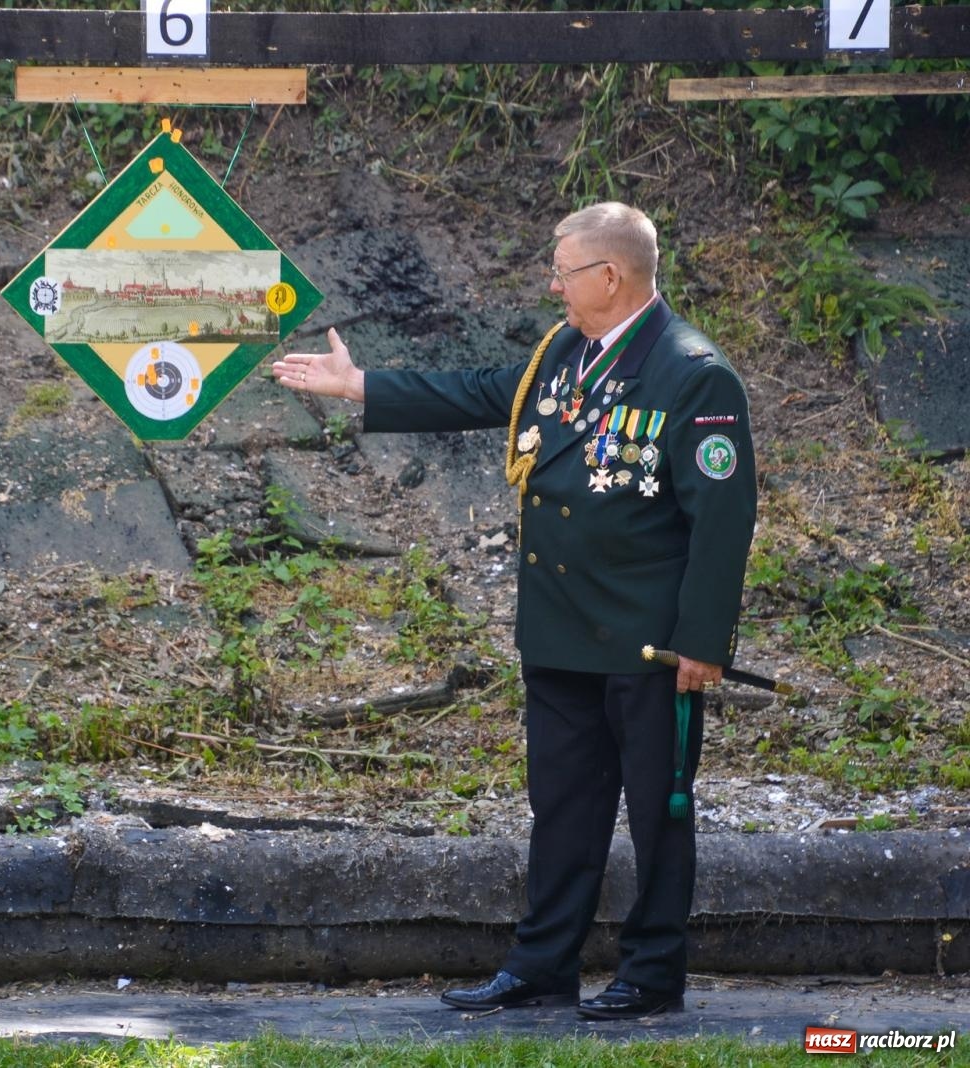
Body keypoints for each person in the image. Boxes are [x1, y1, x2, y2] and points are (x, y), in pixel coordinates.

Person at [273, 202, 755, 1020]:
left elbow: (723, 518)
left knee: (659, 814)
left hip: (649, 644)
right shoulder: (564, 351)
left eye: (564, 272)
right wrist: (359, 387)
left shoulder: (693, 372)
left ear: (611, 276)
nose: (553, 286)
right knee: (562, 809)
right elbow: (483, 392)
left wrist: (702, 641)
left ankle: (652, 973)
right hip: (561, 630)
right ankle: (542, 965)